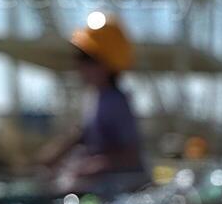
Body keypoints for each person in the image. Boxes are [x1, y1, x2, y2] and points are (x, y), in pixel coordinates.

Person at [42, 12, 149, 194]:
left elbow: (131, 155)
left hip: (122, 189)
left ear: (106, 64)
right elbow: (84, 133)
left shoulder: (116, 102)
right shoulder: (95, 98)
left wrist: (95, 165)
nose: (79, 66)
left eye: (86, 59)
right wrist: (54, 154)